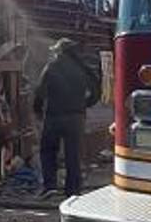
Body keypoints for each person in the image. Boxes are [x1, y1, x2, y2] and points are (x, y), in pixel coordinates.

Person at [33, 38, 100, 197]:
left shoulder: (52, 67)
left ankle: (50, 186)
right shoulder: (82, 68)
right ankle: (72, 190)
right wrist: (85, 104)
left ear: (59, 51)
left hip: (53, 116)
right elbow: (96, 91)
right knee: (73, 155)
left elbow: (40, 92)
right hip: (75, 117)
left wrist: (37, 110)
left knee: (48, 151)